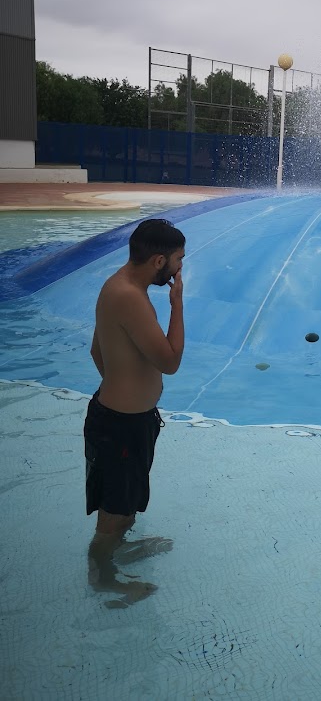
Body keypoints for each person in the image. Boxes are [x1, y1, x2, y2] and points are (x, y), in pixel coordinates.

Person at [84, 218, 186, 540]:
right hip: (121, 428)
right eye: (178, 260)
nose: (179, 269)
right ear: (159, 261)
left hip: (120, 421)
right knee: (113, 518)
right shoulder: (130, 297)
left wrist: (124, 388)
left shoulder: (118, 285)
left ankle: (115, 560)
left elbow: (95, 351)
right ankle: (103, 579)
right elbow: (170, 362)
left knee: (123, 508)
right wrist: (177, 304)